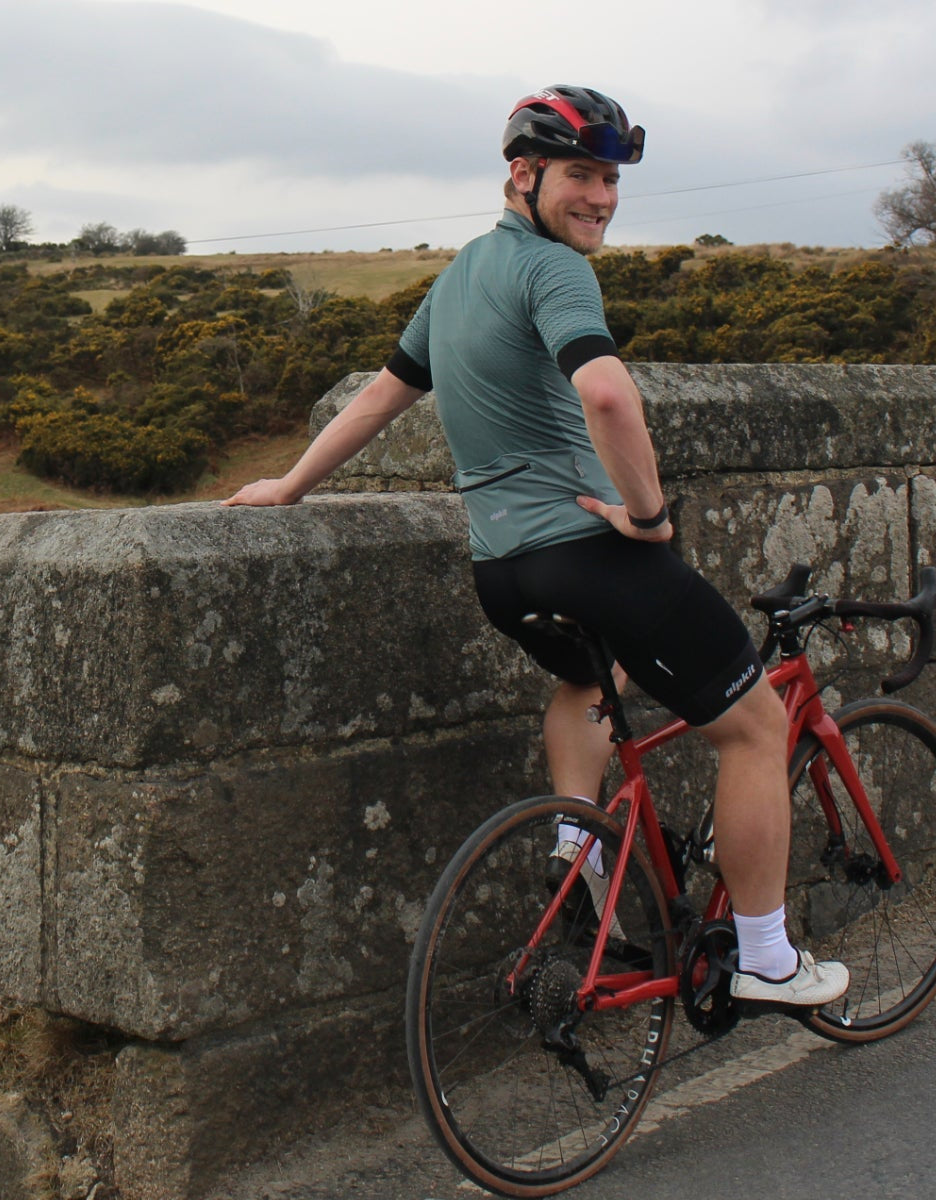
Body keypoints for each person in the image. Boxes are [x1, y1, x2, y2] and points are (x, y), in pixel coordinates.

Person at [222, 85, 847, 1008]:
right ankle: (766, 958)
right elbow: (608, 395)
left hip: (503, 571)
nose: (601, 197)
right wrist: (649, 518)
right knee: (755, 728)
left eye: (611, 179)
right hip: (590, 554)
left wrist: (289, 485)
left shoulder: (460, 276)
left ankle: (579, 848)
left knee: (592, 680)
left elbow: (380, 396)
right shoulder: (554, 271)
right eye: (581, 175)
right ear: (525, 173)